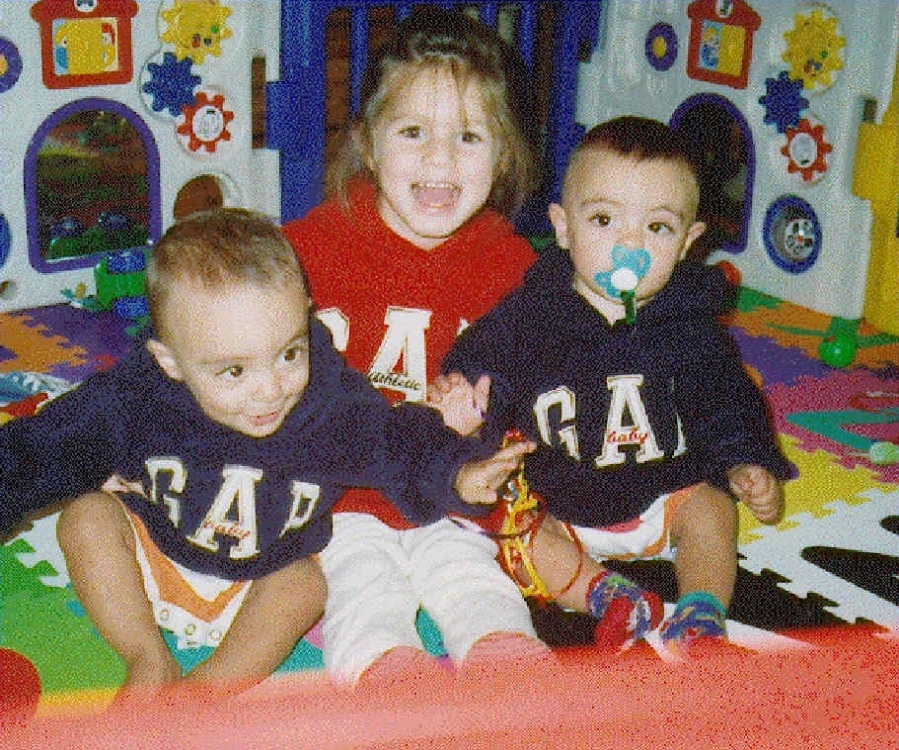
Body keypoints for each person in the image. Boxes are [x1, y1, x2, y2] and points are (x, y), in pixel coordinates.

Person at [0, 208, 532, 703]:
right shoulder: (136, 395)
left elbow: (394, 441)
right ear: (170, 361)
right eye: (234, 371)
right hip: (159, 555)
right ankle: (148, 656)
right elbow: (48, 445)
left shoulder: (326, 400)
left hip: (263, 580)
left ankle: (204, 693)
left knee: (306, 584)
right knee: (86, 515)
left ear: (307, 319)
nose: (270, 389)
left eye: (289, 353)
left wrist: (458, 472)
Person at [436, 116, 794, 655]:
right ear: (563, 228)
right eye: (604, 219)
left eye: (658, 228)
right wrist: (464, 400)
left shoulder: (689, 323)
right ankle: (610, 597)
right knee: (511, 532)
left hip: (665, 492)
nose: (631, 244)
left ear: (688, 242)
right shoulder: (532, 314)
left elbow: (728, 398)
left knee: (713, 511)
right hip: (560, 501)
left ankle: (701, 612)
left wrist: (747, 460)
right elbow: (482, 358)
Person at [282, 7, 551, 685]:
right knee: (363, 584)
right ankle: (387, 677)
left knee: (476, 580)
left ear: (504, 155)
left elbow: (561, 365)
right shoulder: (306, 248)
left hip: (458, 488)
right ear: (369, 145)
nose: (439, 158)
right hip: (341, 494)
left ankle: (511, 670)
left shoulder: (517, 268)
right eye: (412, 132)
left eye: (469, 136)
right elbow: (215, 327)